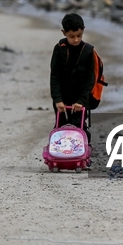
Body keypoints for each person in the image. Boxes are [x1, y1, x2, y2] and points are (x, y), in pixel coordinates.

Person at [49, 13, 96, 147]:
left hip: (80, 98)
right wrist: (57, 99)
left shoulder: (88, 51)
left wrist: (81, 101)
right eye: (71, 36)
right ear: (64, 33)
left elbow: (90, 80)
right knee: (60, 126)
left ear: (83, 31)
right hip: (62, 97)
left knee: (78, 127)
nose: (76, 40)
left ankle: (82, 153)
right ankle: (60, 155)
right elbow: (55, 75)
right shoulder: (59, 49)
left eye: (79, 36)